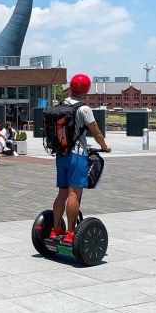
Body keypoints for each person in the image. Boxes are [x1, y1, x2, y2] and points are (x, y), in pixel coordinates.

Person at [50, 73, 111, 244]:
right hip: (77, 155)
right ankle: (70, 232)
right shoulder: (84, 109)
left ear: (70, 88)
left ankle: (55, 230)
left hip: (61, 154)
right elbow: (97, 132)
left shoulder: (60, 105)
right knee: (73, 194)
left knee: (62, 193)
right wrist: (105, 146)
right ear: (86, 90)